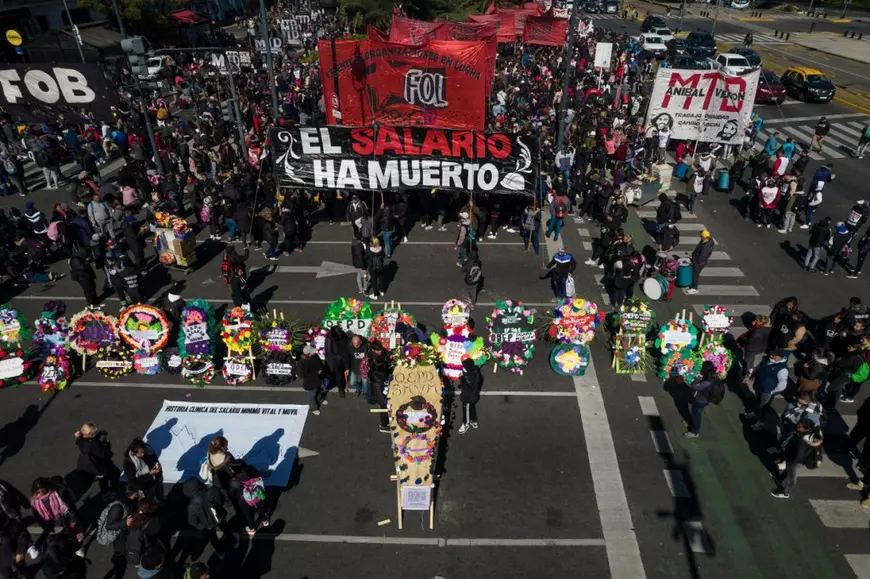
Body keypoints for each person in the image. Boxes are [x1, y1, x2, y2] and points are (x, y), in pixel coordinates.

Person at [182, 478, 236, 560]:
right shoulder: (212, 490)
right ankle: (232, 541)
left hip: (207, 525)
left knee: (213, 539)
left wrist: (201, 526)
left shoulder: (191, 506)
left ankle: (220, 552)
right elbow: (221, 501)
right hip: (219, 517)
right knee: (226, 529)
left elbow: (192, 521)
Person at [771, 418, 823, 499]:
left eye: (799, 426)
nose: (797, 426)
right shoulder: (812, 433)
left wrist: (789, 461)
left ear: (806, 429)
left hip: (796, 461)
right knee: (788, 472)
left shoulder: (803, 441)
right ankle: (782, 481)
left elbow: (799, 454)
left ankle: (786, 493)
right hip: (798, 458)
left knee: (792, 478)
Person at [745, 350, 790, 430]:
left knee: (763, 407)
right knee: (758, 401)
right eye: (771, 354)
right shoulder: (766, 359)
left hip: (767, 392)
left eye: (774, 355)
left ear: (780, 357)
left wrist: (772, 392)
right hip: (758, 386)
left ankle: (761, 422)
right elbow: (758, 368)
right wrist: (750, 375)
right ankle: (756, 413)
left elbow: (782, 384)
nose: (771, 356)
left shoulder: (783, 369)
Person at [30, 477, 83, 542]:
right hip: (51, 521)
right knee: (59, 534)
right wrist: (44, 526)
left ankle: (77, 535)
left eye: (43, 491)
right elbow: (37, 516)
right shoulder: (35, 502)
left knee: (71, 528)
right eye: (38, 492)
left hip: (64, 515)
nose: (40, 494)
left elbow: (69, 507)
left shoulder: (57, 493)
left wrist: (73, 519)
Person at [74, 423, 120, 496]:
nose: (95, 434)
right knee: (113, 474)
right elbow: (105, 455)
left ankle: (105, 492)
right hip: (99, 465)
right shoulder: (93, 445)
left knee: (103, 478)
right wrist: (107, 445)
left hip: (89, 462)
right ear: (89, 434)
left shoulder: (81, 439)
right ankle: (109, 492)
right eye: (94, 433)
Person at [230, 461, 269, 536]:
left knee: (248, 514)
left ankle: (252, 529)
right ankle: (265, 521)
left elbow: (233, 494)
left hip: (245, 500)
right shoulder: (252, 470)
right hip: (257, 493)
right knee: (259, 508)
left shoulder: (235, 480)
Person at [685, 361, 718, 438]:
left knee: (697, 415)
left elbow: (693, 386)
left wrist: (698, 377)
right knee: (695, 413)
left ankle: (694, 431)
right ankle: (692, 423)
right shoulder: (712, 376)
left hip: (700, 400)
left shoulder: (707, 381)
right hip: (705, 399)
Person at [367, 340, 392, 433]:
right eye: (378, 351)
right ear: (373, 350)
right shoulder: (374, 362)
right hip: (380, 390)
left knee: (384, 407)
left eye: (381, 350)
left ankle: (384, 423)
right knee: (384, 407)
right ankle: (383, 426)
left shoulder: (376, 358)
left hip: (379, 388)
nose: (380, 352)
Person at [0, 513, 30, 579]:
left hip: (16, 556)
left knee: (24, 573)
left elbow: (22, 536)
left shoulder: (8, 523)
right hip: (2, 563)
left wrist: (20, 552)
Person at [298, 345, 326, 415]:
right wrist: (315, 373)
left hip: (318, 378)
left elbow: (320, 364)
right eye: (312, 351)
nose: (315, 352)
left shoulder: (315, 356)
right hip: (310, 382)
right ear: (309, 354)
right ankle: (314, 408)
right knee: (312, 395)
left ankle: (320, 399)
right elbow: (302, 374)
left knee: (318, 390)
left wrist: (321, 369)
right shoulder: (302, 362)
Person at [458, 358, 482, 434]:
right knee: (472, 407)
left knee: (466, 411)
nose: (463, 368)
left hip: (468, 397)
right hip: (473, 396)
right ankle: (474, 420)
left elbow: (466, 387)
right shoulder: (474, 372)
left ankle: (466, 423)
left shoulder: (470, 377)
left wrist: (461, 378)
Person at [687, 230, 714, 295]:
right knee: (694, 273)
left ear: (704, 237)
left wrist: (694, 262)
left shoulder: (705, 247)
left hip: (699, 263)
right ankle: (693, 285)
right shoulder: (708, 240)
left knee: (695, 275)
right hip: (698, 260)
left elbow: (701, 258)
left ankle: (694, 288)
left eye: (701, 236)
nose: (700, 236)